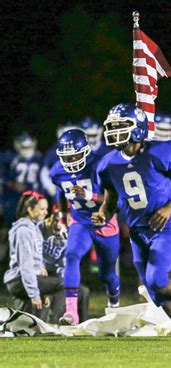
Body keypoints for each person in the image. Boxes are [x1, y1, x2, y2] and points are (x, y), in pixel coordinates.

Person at [93, 103, 171, 353]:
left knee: (157, 280)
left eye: (120, 126)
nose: (114, 132)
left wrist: (169, 208)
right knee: (158, 295)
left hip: (163, 228)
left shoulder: (160, 152)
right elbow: (111, 199)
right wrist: (103, 213)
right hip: (138, 233)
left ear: (136, 129)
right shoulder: (106, 164)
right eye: (112, 127)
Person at [50, 128, 120, 326]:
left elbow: (117, 201)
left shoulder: (101, 165)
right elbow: (61, 192)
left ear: (86, 151)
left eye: (75, 155)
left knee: (107, 273)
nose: (71, 161)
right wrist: (62, 217)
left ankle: (114, 304)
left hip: (104, 221)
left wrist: (89, 195)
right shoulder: (57, 171)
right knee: (71, 256)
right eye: (67, 157)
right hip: (80, 221)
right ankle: (71, 313)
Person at [3, 191, 64, 322]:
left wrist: (43, 290)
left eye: (46, 209)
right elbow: (25, 265)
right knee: (65, 283)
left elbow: (34, 259)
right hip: (20, 280)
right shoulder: (23, 230)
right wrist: (35, 293)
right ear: (30, 209)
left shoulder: (33, 228)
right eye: (41, 209)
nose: (45, 212)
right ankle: (54, 324)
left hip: (24, 279)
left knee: (24, 324)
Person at [40, 208, 90, 322]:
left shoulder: (71, 239)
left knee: (83, 291)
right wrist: (39, 265)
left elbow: (64, 267)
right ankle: (53, 322)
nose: (58, 225)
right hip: (41, 273)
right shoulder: (42, 231)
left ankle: (81, 325)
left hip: (57, 275)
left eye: (65, 221)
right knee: (62, 287)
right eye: (56, 220)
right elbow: (34, 252)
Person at [3, 133, 43, 227]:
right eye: (24, 147)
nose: (27, 149)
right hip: (15, 196)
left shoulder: (40, 158)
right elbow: (3, 176)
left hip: (33, 195)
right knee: (12, 222)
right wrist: (11, 183)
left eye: (29, 146)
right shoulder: (11, 158)